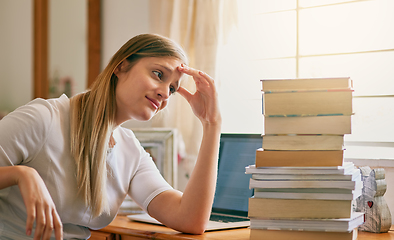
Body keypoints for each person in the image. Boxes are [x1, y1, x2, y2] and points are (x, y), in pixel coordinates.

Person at [0, 33, 221, 239]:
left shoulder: (131, 151)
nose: (164, 93)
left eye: (172, 88)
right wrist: (21, 174)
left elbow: (190, 219)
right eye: (158, 74)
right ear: (121, 65)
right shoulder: (45, 118)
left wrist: (211, 124)